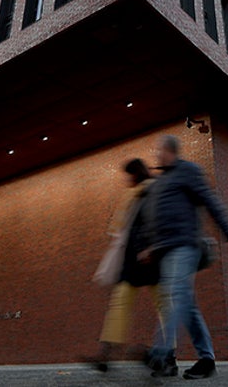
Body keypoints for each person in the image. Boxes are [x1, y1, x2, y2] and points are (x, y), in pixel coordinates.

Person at [140, 135, 228, 380]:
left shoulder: (188, 171)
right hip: (166, 249)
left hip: (185, 245)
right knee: (187, 304)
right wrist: (148, 245)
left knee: (175, 295)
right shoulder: (161, 179)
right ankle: (206, 360)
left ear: (170, 151)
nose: (157, 155)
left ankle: (160, 351)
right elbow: (154, 217)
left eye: (160, 150)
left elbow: (210, 200)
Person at [88, 158, 159, 371]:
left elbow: (154, 221)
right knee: (121, 305)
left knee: (162, 305)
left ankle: (161, 353)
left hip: (147, 257)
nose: (127, 180)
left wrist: (151, 247)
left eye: (129, 175)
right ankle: (106, 354)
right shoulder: (138, 194)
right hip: (135, 258)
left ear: (135, 174)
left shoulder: (150, 191)